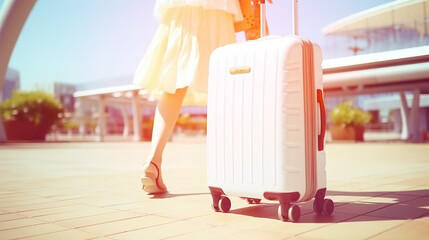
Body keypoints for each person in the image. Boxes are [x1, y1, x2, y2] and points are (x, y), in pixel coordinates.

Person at [133, 0, 272, 194]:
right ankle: (240, 170)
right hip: (218, 6)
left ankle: (153, 162)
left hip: (180, 6)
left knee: (173, 82)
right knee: (224, 82)